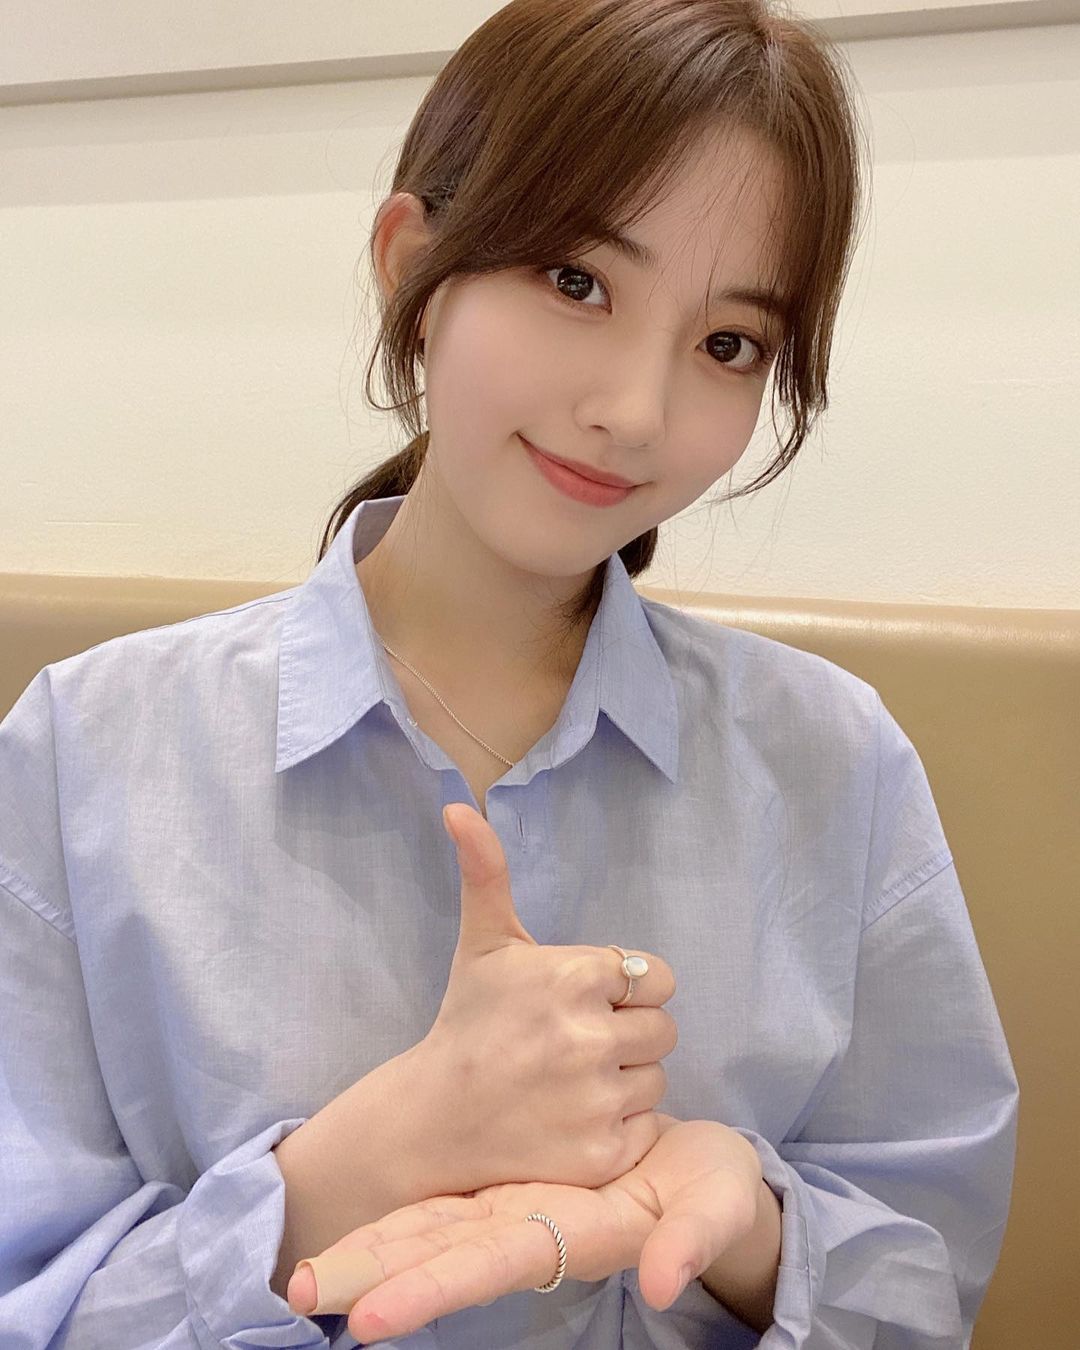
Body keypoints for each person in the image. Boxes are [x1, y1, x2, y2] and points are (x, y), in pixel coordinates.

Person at [0, 1, 1019, 1347]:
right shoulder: (85, 752)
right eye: (576, 282)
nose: (635, 412)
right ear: (412, 267)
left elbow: (926, 1285)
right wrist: (348, 1175)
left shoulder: (835, 761)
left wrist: (749, 1234)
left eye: (728, 344)